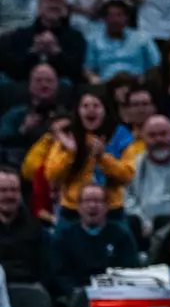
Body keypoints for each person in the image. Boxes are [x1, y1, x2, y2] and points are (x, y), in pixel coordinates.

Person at [45, 90, 134, 223]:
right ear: (78, 111)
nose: (90, 110)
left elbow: (128, 176)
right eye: (85, 106)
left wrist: (103, 158)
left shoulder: (121, 135)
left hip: (111, 209)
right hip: (73, 209)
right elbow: (51, 175)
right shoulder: (68, 136)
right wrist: (70, 153)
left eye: (96, 106)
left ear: (106, 110)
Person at [49, 183, 139, 304]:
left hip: (114, 298)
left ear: (107, 206)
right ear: (78, 207)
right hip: (74, 299)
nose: (92, 205)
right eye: (87, 201)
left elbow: (131, 270)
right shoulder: (64, 237)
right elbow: (58, 274)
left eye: (98, 201)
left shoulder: (121, 235)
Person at [84, 0, 161, 83]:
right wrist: (93, 78)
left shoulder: (143, 38)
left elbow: (156, 65)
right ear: (105, 19)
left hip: (136, 84)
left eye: (119, 15)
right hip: (106, 85)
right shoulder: (94, 40)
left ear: (126, 17)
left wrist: (146, 79)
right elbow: (89, 68)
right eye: (111, 16)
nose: (115, 20)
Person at [0, 166, 46, 284]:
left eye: (14, 190)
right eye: (3, 190)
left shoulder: (35, 228)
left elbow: (45, 271)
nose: (9, 195)